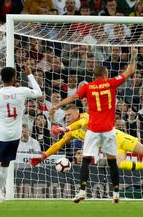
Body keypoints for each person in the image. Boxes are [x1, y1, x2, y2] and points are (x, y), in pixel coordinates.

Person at [49, 47, 138, 203]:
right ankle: (116, 193)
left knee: (86, 159)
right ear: (104, 74)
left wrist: (58, 105)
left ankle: (82, 191)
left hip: (93, 129)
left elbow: (73, 97)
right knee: (112, 161)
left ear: (94, 75)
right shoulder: (111, 83)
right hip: (108, 130)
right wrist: (133, 56)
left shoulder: (87, 87)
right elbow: (130, 70)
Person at [31, 106, 143, 174]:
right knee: (119, 165)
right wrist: (42, 157)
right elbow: (58, 144)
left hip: (119, 138)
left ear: (77, 113)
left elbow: (82, 123)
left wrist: (65, 128)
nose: (68, 118)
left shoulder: (84, 117)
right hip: (111, 148)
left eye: (70, 115)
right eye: (66, 116)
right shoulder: (72, 131)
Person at [0, 67, 42, 202]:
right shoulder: (21, 91)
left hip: (1, 135)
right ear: (14, 78)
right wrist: (30, 76)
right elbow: (38, 93)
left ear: (1, 79)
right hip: (16, 135)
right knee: (5, 164)